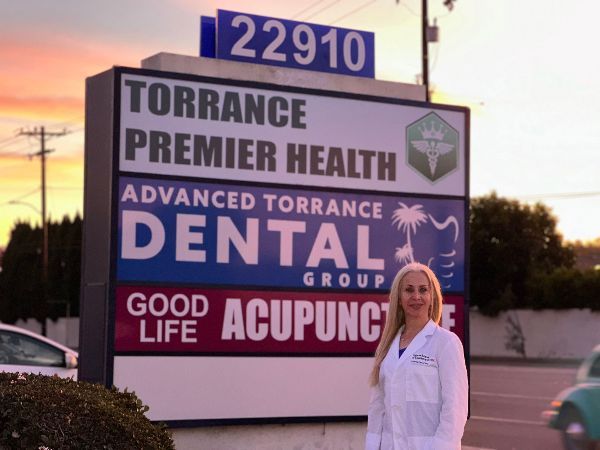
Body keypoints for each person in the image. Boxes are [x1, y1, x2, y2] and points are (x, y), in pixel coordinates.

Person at [365, 262, 468, 450]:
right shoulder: (387, 346)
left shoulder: (446, 343)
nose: (416, 297)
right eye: (409, 290)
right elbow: (377, 407)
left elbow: (455, 410)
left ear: (432, 296)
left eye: (423, 290)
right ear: (399, 297)